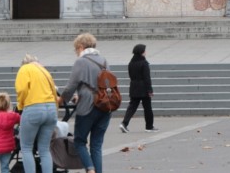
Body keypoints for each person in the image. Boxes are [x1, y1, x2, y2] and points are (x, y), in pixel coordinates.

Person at [61, 33, 111, 173]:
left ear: (81, 46)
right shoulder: (104, 61)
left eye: (76, 49)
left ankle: (90, 169)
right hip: (105, 105)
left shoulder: (81, 62)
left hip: (87, 106)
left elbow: (70, 87)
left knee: (79, 141)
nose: (76, 52)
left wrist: (61, 100)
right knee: (96, 145)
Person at [14, 53, 59, 173]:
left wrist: (21, 105)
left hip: (33, 108)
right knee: (44, 149)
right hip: (51, 109)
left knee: (26, 148)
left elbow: (22, 90)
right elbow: (53, 90)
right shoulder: (44, 71)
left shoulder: (24, 69)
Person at [119, 44, 158, 133]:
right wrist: (150, 90)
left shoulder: (131, 63)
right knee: (147, 108)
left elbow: (131, 75)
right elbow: (147, 78)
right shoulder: (144, 63)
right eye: (144, 51)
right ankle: (149, 126)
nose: (145, 52)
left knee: (132, 107)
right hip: (143, 88)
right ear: (141, 52)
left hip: (133, 87)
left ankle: (124, 123)